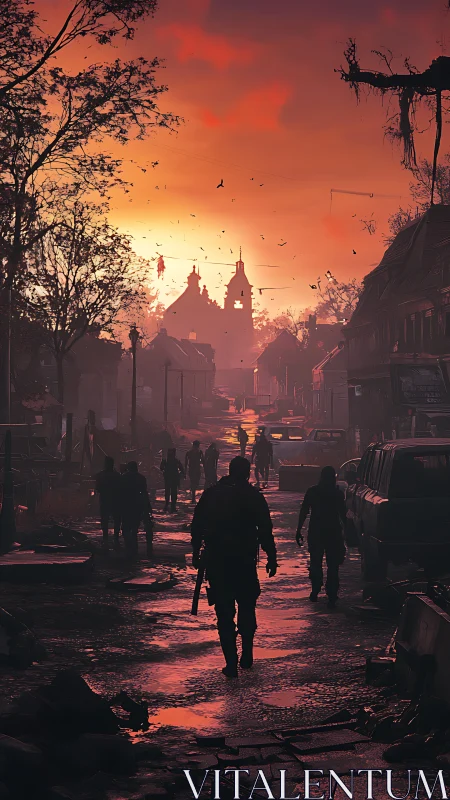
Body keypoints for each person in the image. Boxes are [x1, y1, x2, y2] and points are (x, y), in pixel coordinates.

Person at [191, 456, 277, 678]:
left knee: (224, 613)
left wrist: (195, 553)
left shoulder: (211, 494)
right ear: (247, 473)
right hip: (245, 562)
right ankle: (246, 652)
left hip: (219, 564)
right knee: (247, 607)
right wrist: (271, 557)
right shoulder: (252, 496)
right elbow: (265, 529)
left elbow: (197, 525)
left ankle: (231, 662)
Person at [296, 466, 347, 608]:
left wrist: (299, 529)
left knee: (315, 562)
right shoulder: (337, 494)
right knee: (333, 566)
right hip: (333, 532)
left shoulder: (313, 492)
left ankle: (315, 589)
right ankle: (331, 594)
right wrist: (348, 533)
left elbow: (304, 511)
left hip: (316, 531)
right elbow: (343, 515)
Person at [121, 461, 153, 558]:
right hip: (137, 504)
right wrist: (147, 506)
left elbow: (119, 492)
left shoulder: (123, 477)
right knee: (134, 527)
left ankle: (129, 547)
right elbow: (144, 492)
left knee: (126, 527)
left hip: (126, 504)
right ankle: (134, 547)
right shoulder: (141, 478)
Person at [95, 456, 122, 551]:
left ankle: (105, 539)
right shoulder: (118, 476)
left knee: (105, 520)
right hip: (115, 501)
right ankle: (116, 539)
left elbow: (97, 489)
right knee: (117, 520)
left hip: (105, 500)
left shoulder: (100, 476)